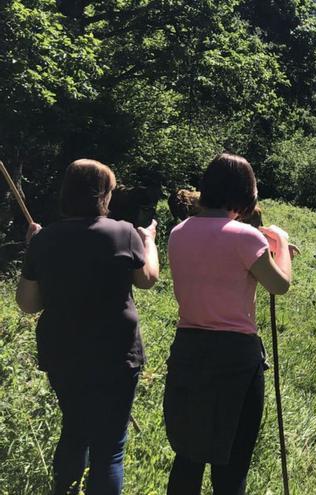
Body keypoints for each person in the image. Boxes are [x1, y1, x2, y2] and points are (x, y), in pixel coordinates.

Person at [16, 159, 160, 495]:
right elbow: (148, 279)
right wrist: (149, 240)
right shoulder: (124, 233)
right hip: (116, 353)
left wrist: (33, 248)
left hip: (63, 353)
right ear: (103, 195)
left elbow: (28, 304)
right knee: (109, 448)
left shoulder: (45, 239)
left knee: (75, 430)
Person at [163, 153, 291, 495]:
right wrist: (280, 243)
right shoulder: (247, 238)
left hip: (188, 348)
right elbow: (280, 285)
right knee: (232, 462)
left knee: (188, 456)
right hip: (235, 356)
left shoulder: (177, 233)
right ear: (245, 193)